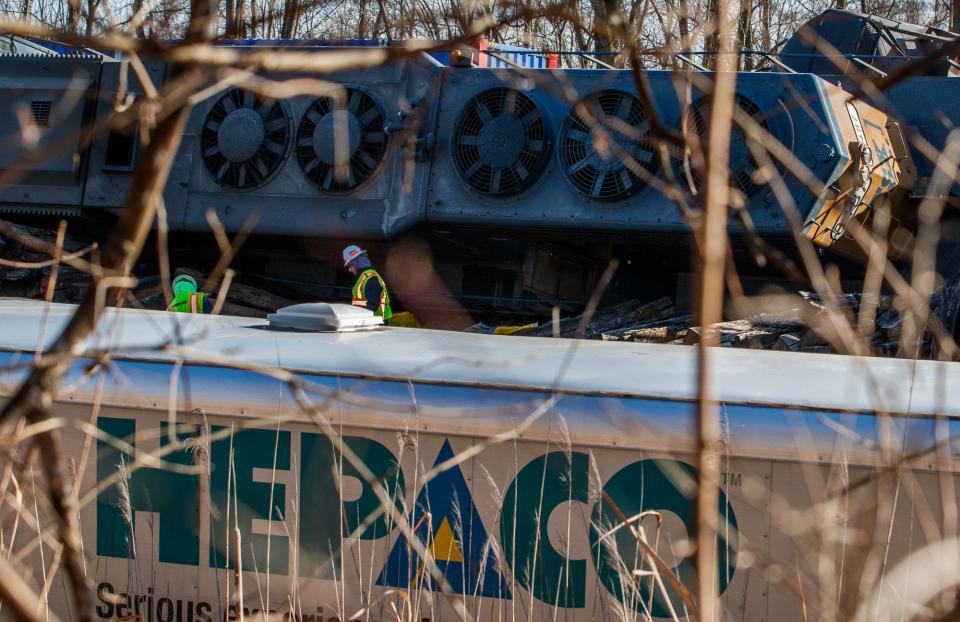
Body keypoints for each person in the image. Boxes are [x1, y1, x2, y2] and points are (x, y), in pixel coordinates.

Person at [342, 244, 392, 320]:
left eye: (349, 265)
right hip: (370, 322)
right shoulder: (364, 277)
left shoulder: (371, 279)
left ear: (357, 262)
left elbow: (371, 307)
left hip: (376, 324)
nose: (349, 270)